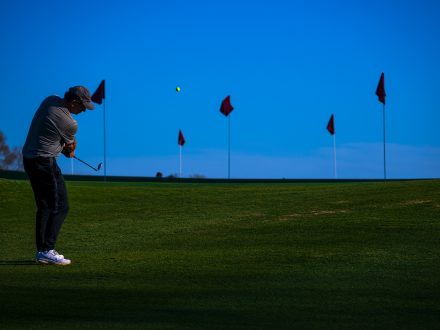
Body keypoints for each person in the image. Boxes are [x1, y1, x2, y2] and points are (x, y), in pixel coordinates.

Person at [22, 86, 95, 265]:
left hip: (30, 159)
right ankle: (47, 250)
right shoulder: (70, 123)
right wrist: (67, 148)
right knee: (60, 205)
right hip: (44, 162)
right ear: (74, 102)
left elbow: (55, 136)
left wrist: (62, 146)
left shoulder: (50, 99)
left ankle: (42, 251)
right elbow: (70, 147)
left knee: (45, 206)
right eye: (83, 106)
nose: (84, 111)